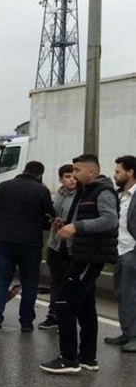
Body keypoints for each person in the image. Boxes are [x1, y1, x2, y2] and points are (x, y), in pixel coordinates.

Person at [40, 154, 118, 374]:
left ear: (92, 172)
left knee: (65, 304)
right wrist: (66, 225)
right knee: (85, 307)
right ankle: (87, 358)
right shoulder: (86, 191)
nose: (73, 174)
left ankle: (68, 359)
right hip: (81, 253)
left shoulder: (102, 192)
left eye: (77, 170)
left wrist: (77, 227)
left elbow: (110, 219)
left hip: (89, 257)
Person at [0, 161, 55, 332]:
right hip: (30, 244)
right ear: (39, 175)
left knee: (1, 281)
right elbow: (50, 216)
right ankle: (26, 322)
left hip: (4, 241)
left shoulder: (3, 187)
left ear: (23, 171)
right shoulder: (41, 190)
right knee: (29, 282)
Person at [38, 164, 78, 330]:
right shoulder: (59, 194)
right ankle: (53, 314)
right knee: (55, 282)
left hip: (71, 247)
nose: (72, 180)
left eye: (74, 176)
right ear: (61, 179)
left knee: (70, 283)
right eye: (68, 176)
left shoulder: (80, 195)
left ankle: (68, 316)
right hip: (55, 244)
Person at [105, 155, 136, 353]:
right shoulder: (118, 195)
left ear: (130, 172)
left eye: (118, 171)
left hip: (132, 250)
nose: (115, 175)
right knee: (121, 294)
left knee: (131, 295)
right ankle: (126, 333)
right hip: (118, 250)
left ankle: (133, 336)